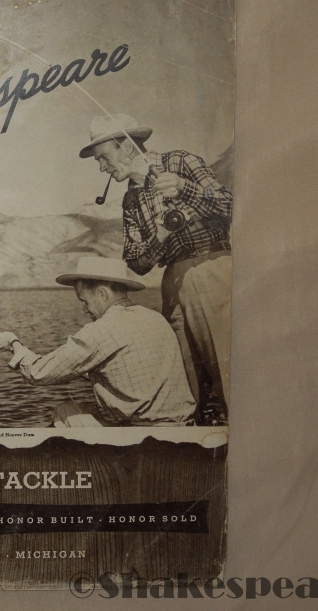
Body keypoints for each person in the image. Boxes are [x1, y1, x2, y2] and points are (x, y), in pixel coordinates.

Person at [79, 114, 233, 416]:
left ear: (126, 146)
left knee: (229, 372)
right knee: (186, 379)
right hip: (173, 284)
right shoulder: (131, 200)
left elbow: (230, 206)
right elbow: (137, 263)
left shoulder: (180, 162)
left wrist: (184, 188)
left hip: (213, 268)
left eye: (104, 158)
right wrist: (161, 234)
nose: (102, 168)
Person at [0, 257, 195, 427]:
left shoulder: (101, 329)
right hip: (182, 426)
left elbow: (39, 373)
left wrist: (13, 344)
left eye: (84, 301)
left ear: (102, 294)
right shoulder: (155, 318)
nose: (84, 310)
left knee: (65, 411)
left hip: (142, 436)